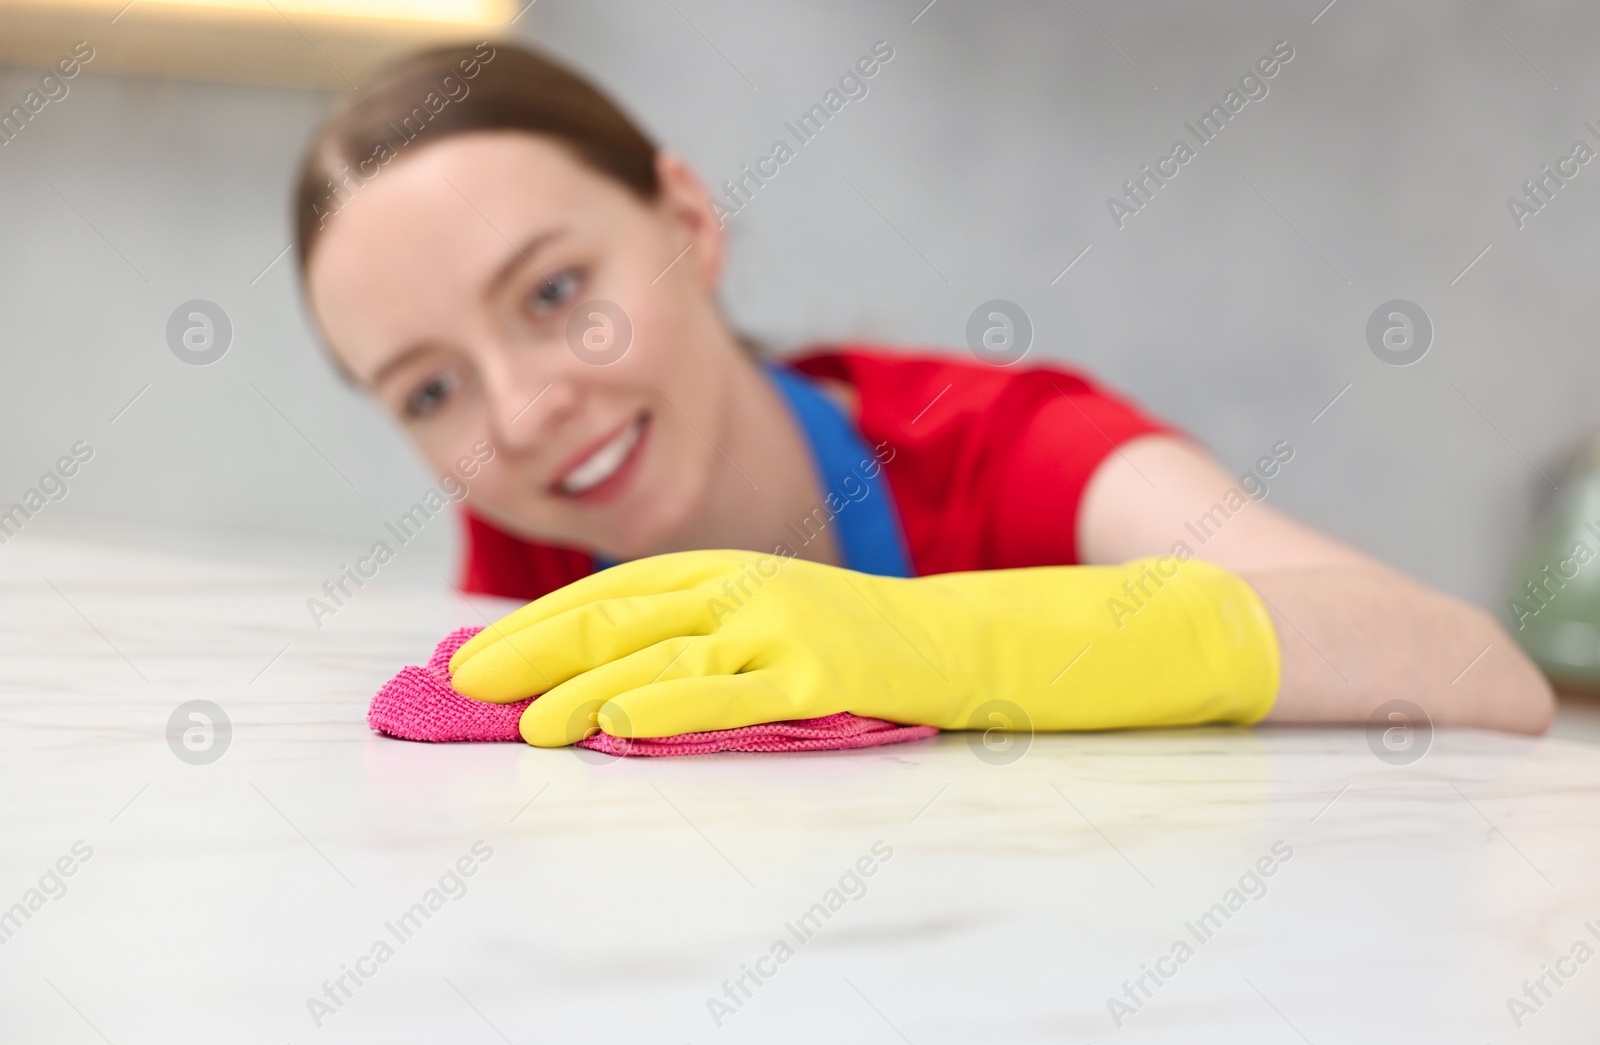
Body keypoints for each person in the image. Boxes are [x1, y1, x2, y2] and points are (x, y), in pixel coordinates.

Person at [294, 42, 1553, 746]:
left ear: (686, 219)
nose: (517, 413)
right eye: (431, 390)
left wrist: (927, 645)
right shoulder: (532, 536)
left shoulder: (1002, 451)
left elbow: (1477, 665)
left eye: (557, 292)